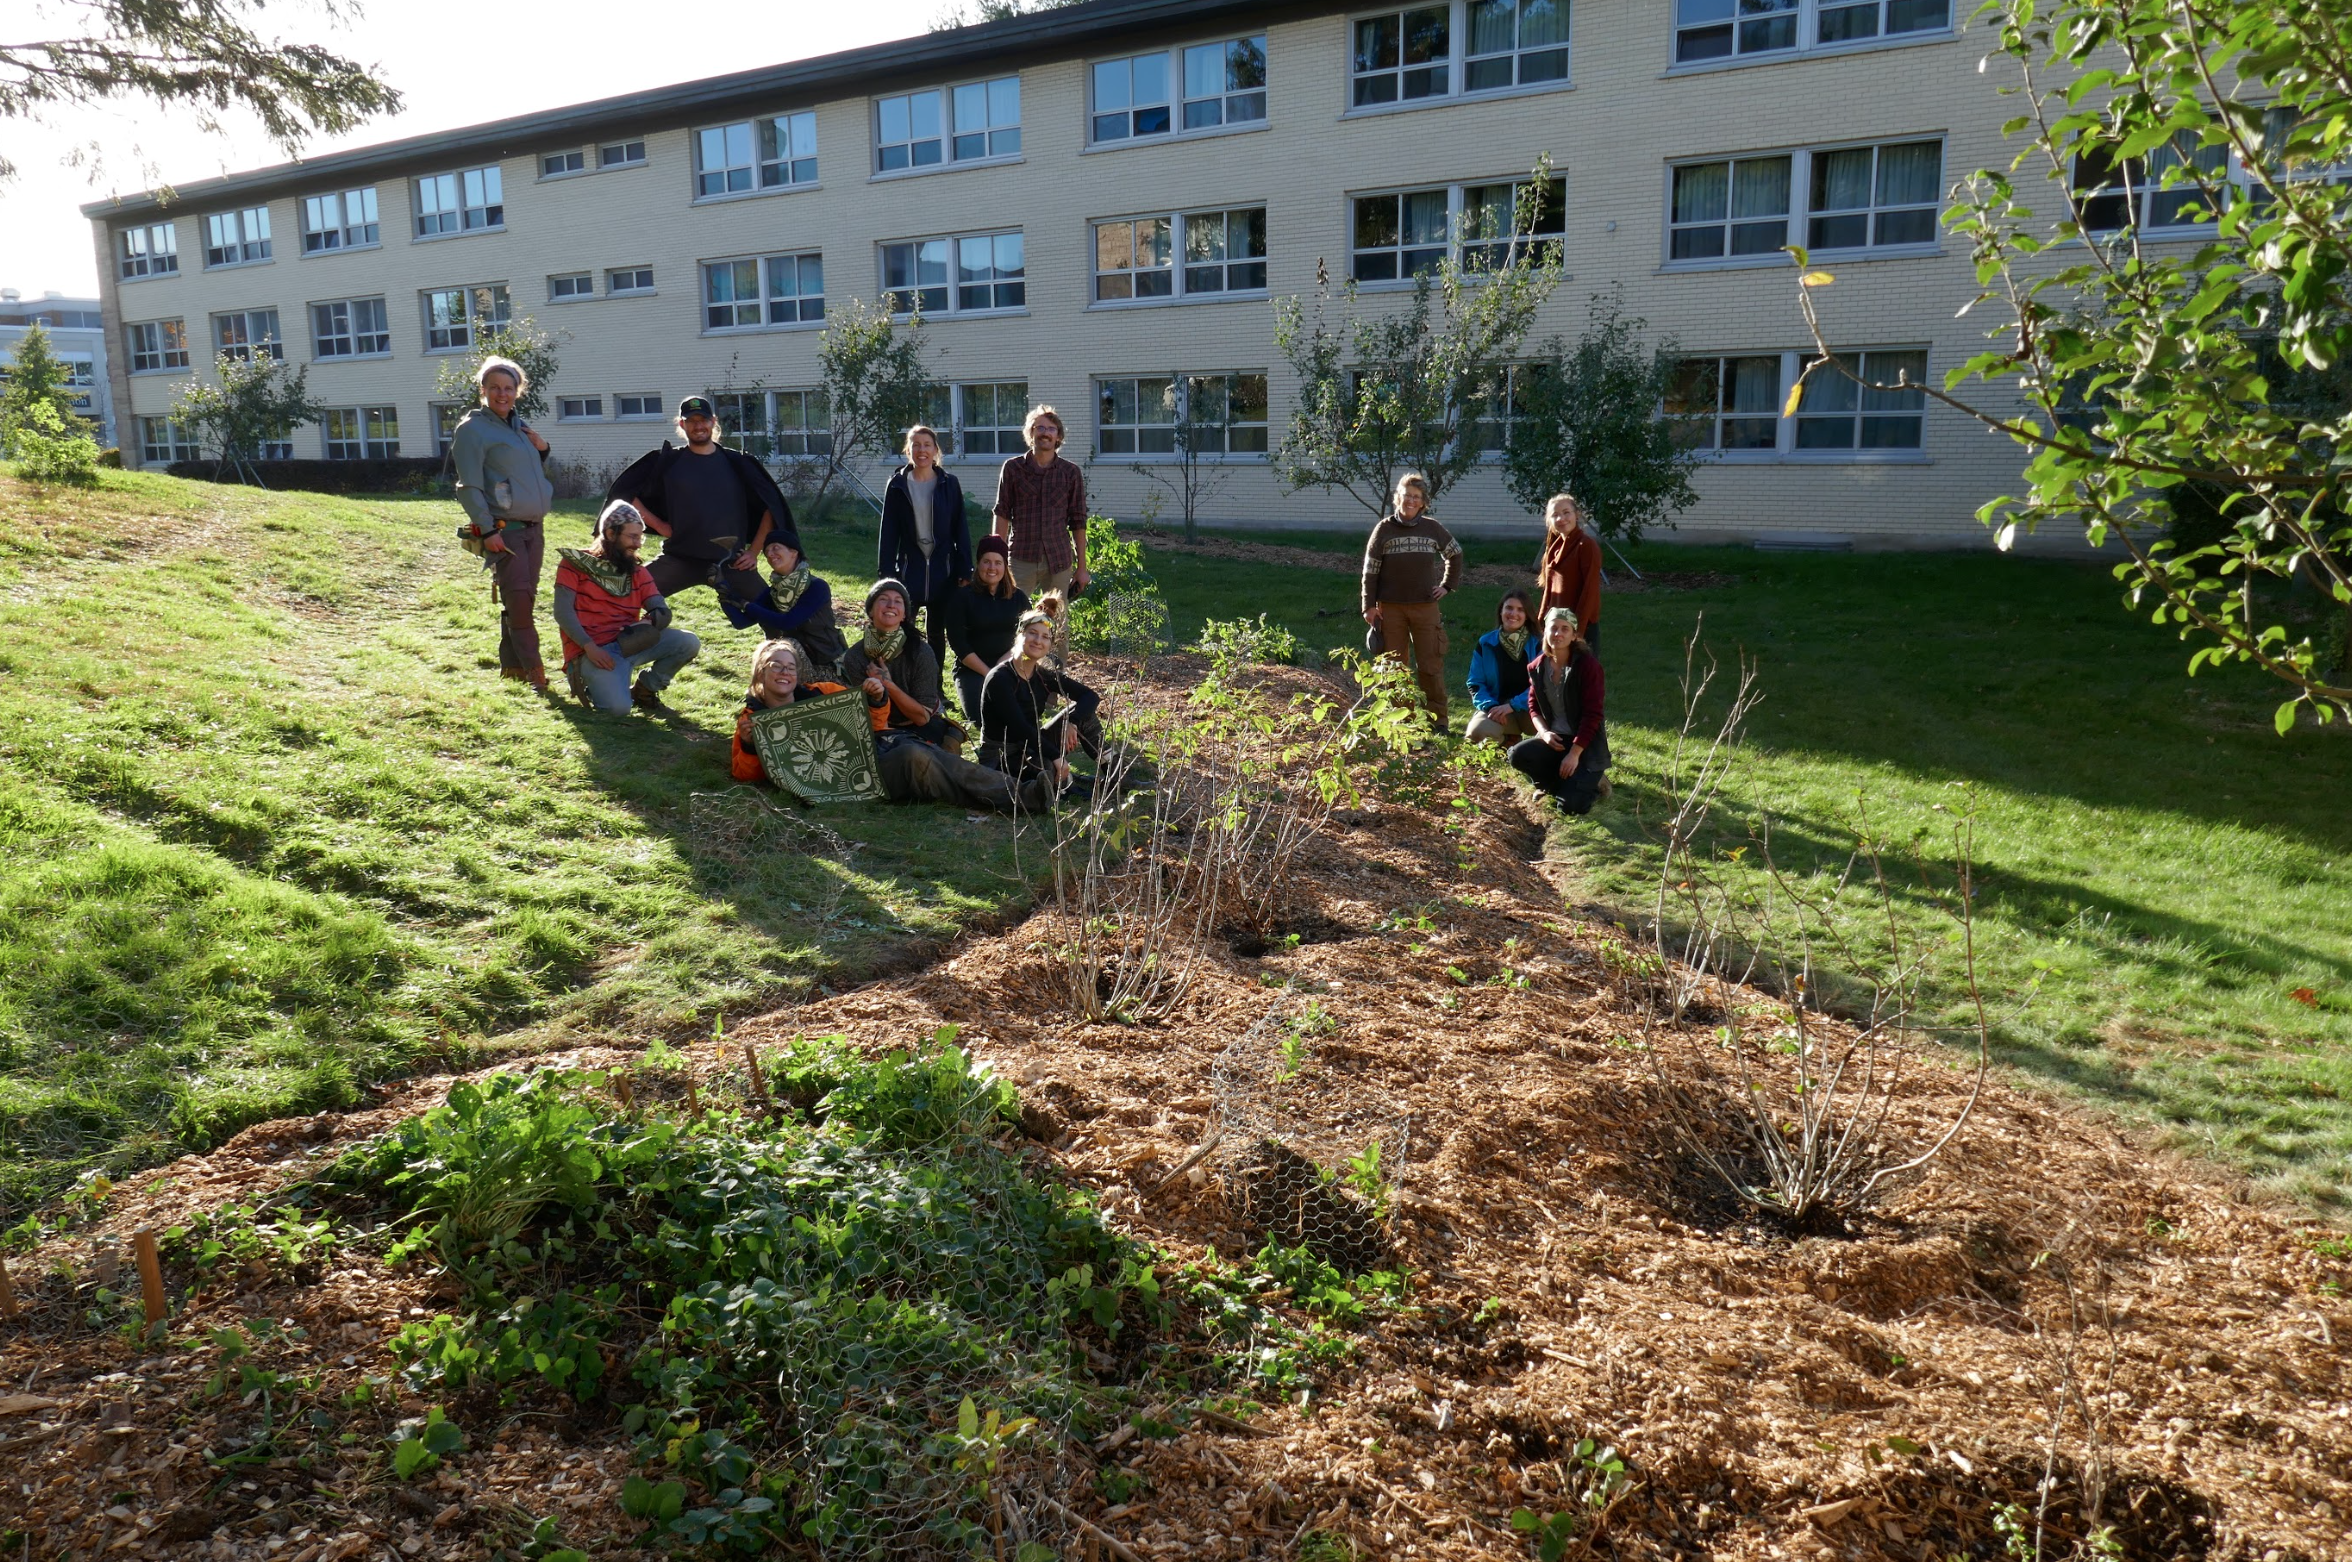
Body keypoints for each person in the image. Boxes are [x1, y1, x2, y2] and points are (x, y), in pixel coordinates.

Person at [844, 578, 1036, 811]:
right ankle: (1021, 794)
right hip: (882, 737)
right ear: (871, 611)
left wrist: (889, 685)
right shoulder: (855, 657)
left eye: (897, 601)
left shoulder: (921, 652)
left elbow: (922, 717)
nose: (890, 605)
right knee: (929, 767)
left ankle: (1022, 793)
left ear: (904, 614)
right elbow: (862, 717)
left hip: (921, 726)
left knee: (948, 766)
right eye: (883, 600)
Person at [606, 396, 799, 607]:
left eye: (704, 420)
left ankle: (787, 642)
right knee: (624, 599)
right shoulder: (668, 461)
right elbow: (624, 492)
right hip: (679, 558)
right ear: (682, 424)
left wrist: (753, 552)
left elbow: (771, 506)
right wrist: (659, 525)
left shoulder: (737, 463)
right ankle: (620, 639)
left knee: (775, 613)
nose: (698, 426)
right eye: (691, 421)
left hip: (730, 562)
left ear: (713, 421)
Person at [452, 357, 555, 688]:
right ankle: (537, 674)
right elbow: (468, 486)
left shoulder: (519, 427)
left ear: (517, 391)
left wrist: (543, 448)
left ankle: (512, 668)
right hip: (504, 529)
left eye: (508, 388)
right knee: (520, 600)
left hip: (533, 529)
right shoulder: (472, 430)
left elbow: (519, 471)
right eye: (494, 387)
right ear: (482, 390)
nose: (502, 394)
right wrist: (486, 529)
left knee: (523, 597)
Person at [552, 501, 702, 716]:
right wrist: (589, 647)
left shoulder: (637, 572)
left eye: (640, 537)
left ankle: (644, 690)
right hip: (591, 652)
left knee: (687, 642)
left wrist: (648, 622)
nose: (638, 544)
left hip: (631, 643)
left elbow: (662, 610)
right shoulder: (574, 565)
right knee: (618, 710)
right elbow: (562, 612)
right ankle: (592, 685)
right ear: (611, 534)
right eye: (632, 537)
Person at [1359, 472, 1463, 729]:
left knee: (1430, 664)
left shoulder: (1432, 528)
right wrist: (1368, 606)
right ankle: (1401, 722)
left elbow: (1455, 553)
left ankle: (1437, 721)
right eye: (1407, 495)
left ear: (1423, 502)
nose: (1411, 501)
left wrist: (1448, 585)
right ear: (1398, 498)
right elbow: (1370, 570)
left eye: (1416, 497)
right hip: (1390, 609)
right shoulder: (1383, 529)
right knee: (1395, 668)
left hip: (1425, 607)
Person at [980, 610, 1101, 808]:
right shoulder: (999, 678)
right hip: (1001, 756)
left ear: (1050, 645)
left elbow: (1090, 697)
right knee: (1045, 768)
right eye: (1032, 633)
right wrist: (1055, 756)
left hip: (1030, 745)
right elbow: (1019, 727)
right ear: (1020, 635)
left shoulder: (1043, 675)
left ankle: (1115, 774)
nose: (1038, 641)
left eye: (1045, 637)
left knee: (1084, 717)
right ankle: (1050, 785)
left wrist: (1073, 721)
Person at [877, 425, 972, 667]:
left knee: (937, 633)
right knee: (904, 629)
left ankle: (936, 687)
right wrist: (887, 574)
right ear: (908, 450)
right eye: (916, 445)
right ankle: (906, 681)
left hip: (943, 570)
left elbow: (960, 528)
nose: (922, 450)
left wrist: (964, 569)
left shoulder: (949, 484)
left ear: (935, 450)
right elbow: (888, 533)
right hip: (911, 570)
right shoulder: (897, 485)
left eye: (927, 445)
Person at [1509, 606, 1611, 816]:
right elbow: (1533, 707)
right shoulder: (1536, 667)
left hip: (1585, 746)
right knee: (1517, 754)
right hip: (1555, 741)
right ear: (1544, 632)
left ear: (1574, 635)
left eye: (1565, 629)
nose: (1558, 634)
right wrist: (1544, 733)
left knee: (1570, 808)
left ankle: (1594, 783)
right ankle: (1554, 785)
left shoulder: (1588, 667)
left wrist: (1574, 755)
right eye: (1553, 628)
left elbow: (1593, 715)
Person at [992, 405, 1090, 598]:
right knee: (1010, 616)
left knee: (1058, 621)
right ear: (1031, 433)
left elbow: (1078, 521)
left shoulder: (1070, 473)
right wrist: (996, 556)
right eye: (1040, 428)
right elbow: (1002, 513)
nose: (1046, 433)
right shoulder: (1012, 468)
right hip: (1021, 557)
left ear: (1058, 436)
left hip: (1058, 560)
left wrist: (1082, 568)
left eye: (1051, 429)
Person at [717, 537, 847, 680]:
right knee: (779, 652)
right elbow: (741, 622)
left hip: (827, 667)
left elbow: (788, 622)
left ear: (793, 552)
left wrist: (746, 605)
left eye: (775, 548)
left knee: (786, 646)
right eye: (766, 552)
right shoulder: (773, 592)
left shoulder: (817, 587)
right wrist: (723, 592)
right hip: (792, 667)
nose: (770, 554)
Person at [730, 639, 850, 784]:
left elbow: (866, 714)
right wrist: (749, 746)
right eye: (776, 666)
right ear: (761, 673)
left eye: (791, 668)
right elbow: (746, 776)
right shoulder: (751, 719)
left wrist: (876, 698)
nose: (785, 672)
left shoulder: (824, 692)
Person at [939, 535, 1030, 724]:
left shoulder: (1019, 598)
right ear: (978, 564)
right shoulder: (962, 598)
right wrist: (988, 672)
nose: (992, 568)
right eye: (986, 561)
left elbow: (1027, 636)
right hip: (972, 670)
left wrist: (1004, 663)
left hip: (1009, 667)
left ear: (1005, 566)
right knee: (982, 717)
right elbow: (959, 644)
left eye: (998, 562)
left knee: (1021, 714)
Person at [1465, 590, 1537, 746]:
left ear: (1527, 615)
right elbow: (1475, 683)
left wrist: (1513, 705)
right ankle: (1507, 740)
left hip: (1533, 708)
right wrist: (1491, 706)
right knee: (1476, 733)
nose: (1513, 613)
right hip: (1498, 707)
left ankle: (1531, 748)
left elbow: (1543, 685)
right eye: (1509, 608)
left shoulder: (1539, 644)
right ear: (1501, 611)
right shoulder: (1486, 643)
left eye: (1520, 610)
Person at [1537, 493, 1604, 653]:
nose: (1561, 518)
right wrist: (1540, 623)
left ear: (1577, 514)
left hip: (1579, 628)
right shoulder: (1555, 547)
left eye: (1566, 512)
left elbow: (1589, 592)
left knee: (1581, 676)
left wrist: (1577, 633)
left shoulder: (1586, 545)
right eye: (1555, 515)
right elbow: (1549, 591)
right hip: (1556, 627)